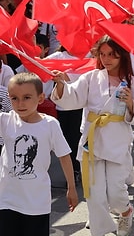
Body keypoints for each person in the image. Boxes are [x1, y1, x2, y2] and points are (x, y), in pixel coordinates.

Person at [51, 36, 134, 236]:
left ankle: (126, 210)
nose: (106, 59)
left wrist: (131, 103)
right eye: (103, 54)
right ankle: (99, 229)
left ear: (121, 56)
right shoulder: (91, 77)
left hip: (118, 141)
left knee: (116, 193)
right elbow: (72, 98)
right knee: (94, 195)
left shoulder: (133, 83)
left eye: (112, 55)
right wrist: (61, 85)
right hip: (93, 140)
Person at [0, 73, 78, 236]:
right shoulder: (6, 121)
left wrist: (71, 188)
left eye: (27, 97)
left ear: (41, 98)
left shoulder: (50, 125)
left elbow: (64, 156)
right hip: (7, 200)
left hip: (37, 203)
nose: (20, 103)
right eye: (14, 98)